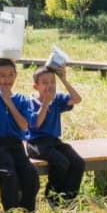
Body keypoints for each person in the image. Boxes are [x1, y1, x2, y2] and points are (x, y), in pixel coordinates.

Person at [0, 23, 39, 212]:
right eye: (2, 75)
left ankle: (27, 212)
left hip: (15, 145)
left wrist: (9, 103)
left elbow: (23, 125)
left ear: (16, 76)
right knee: (8, 174)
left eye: (11, 75)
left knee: (30, 176)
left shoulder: (20, 99)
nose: (7, 79)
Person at [25, 64, 84, 205]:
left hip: (54, 141)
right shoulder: (29, 102)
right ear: (35, 86)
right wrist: (46, 102)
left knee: (78, 162)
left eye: (52, 82)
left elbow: (77, 99)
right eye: (45, 83)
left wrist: (64, 80)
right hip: (36, 143)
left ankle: (68, 198)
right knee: (61, 162)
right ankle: (52, 197)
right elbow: (36, 124)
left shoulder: (56, 99)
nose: (49, 86)